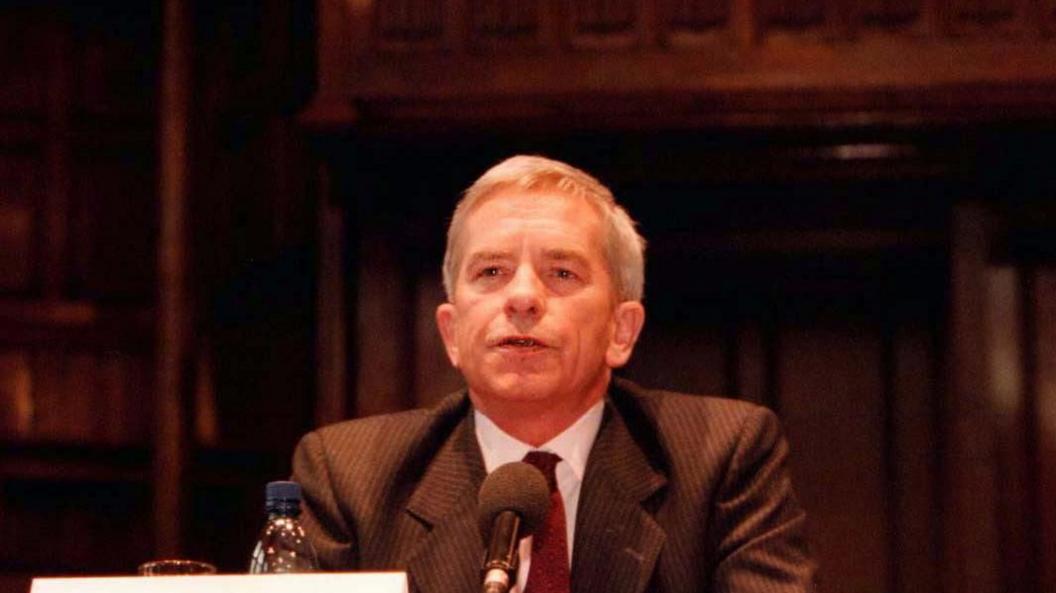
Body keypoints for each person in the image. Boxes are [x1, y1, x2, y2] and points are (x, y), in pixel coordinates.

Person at [292, 155, 815, 593]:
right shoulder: (350, 478)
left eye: (561, 273)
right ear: (451, 332)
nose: (521, 298)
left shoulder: (720, 458)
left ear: (621, 330)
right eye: (491, 272)